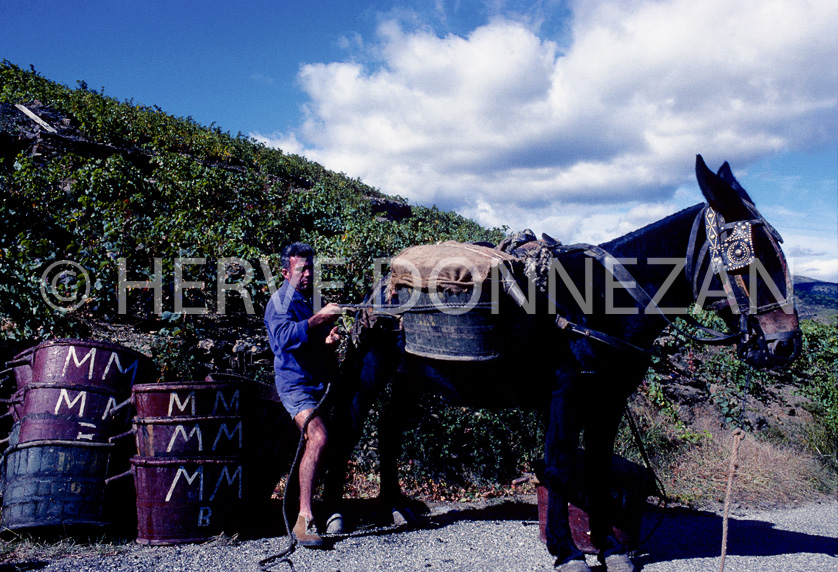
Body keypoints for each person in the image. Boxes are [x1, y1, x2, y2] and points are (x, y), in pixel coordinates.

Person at [264, 242, 344, 548]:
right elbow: (283, 340)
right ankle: (304, 519)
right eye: (301, 269)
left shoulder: (311, 298)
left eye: (311, 267)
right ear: (286, 272)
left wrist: (329, 338)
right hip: (295, 386)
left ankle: (329, 508)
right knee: (319, 437)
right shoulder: (280, 302)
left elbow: (311, 338)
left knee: (331, 440)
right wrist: (320, 320)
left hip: (318, 385)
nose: (308, 273)